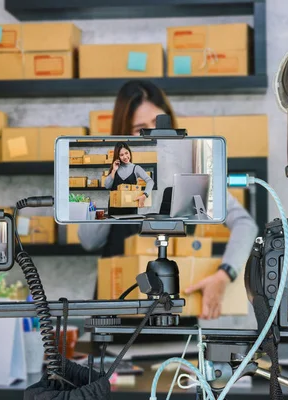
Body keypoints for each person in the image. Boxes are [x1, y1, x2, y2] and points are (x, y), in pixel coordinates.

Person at [79, 80, 259, 321]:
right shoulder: (112, 169)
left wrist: (224, 276)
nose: (153, 134)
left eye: (158, 123)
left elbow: (245, 224)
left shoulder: (192, 165)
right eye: (139, 128)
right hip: (116, 310)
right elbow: (88, 240)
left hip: (174, 310)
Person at [105, 142, 154, 213]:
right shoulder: (115, 168)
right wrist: (114, 170)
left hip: (131, 209)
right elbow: (107, 186)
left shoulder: (136, 168)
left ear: (129, 152)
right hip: (114, 209)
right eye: (121, 155)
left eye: (126, 153)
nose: (125, 157)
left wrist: (145, 195)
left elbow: (150, 181)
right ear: (117, 156)